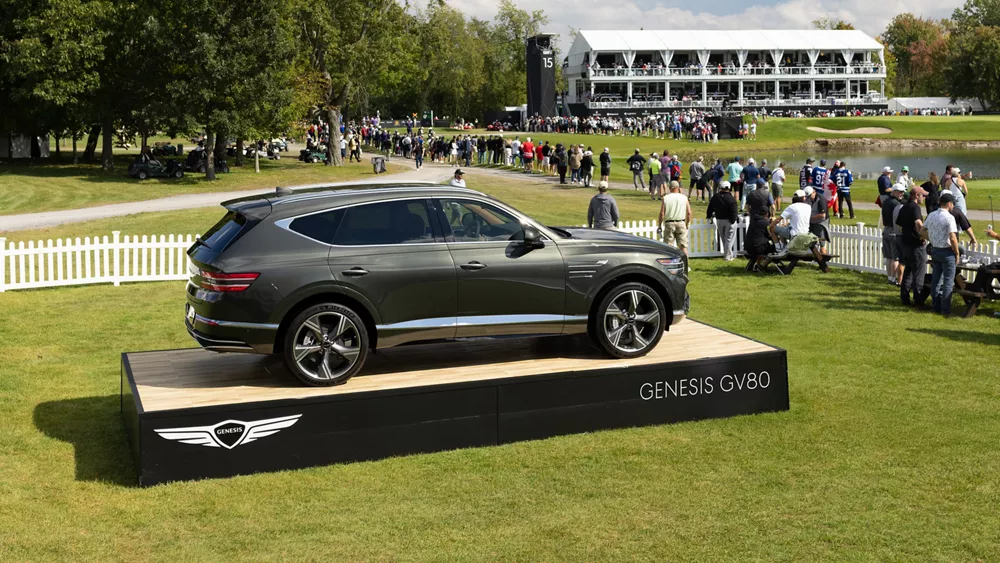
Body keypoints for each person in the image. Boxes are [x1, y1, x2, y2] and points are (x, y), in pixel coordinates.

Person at [922, 192, 960, 316]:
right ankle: (945, 309)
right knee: (948, 281)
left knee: (936, 280)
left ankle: (935, 306)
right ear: (949, 204)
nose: (953, 206)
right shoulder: (949, 217)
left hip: (935, 250)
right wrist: (957, 253)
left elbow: (922, 231)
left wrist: (931, 239)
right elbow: (953, 237)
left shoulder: (931, 215)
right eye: (952, 203)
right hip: (947, 251)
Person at [769, 190, 828, 271]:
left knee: (773, 229)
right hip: (806, 234)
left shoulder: (792, 207)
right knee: (784, 230)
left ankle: (778, 249)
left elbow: (778, 219)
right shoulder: (808, 207)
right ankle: (784, 247)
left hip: (794, 234)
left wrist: (770, 226)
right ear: (803, 198)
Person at [895, 186, 928, 306]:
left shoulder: (904, 207)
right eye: (922, 195)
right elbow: (919, 224)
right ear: (916, 195)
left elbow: (899, 224)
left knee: (908, 272)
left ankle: (905, 297)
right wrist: (925, 237)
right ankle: (918, 300)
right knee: (919, 273)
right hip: (916, 245)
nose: (924, 197)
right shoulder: (915, 207)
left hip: (906, 243)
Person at [657, 181, 692, 260]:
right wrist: (687, 223)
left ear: (670, 188)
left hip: (669, 223)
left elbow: (662, 213)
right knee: (683, 247)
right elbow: (689, 213)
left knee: (669, 247)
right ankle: (685, 266)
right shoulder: (684, 197)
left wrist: (659, 225)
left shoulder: (666, 198)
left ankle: (670, 264)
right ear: (678, 188)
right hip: (681, 222)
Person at [707, 180, 738, 261]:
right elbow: (734, 211)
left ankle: (729, 255)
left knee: (724, 239)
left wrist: (708, 216)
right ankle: (727, 256)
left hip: (719, 220)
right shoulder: (731, 198)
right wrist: (733, 220)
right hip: (729, 221)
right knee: (729, 239)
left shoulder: (716, 196)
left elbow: (710, 207)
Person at [881, 184, 906, 285]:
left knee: (888, 257)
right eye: (900, 191)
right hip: (893, 230)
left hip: (886, 229)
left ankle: (890, 277)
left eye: (902, 192)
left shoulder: (886, 201)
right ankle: (893, 278)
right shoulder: (896, 204)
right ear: (894, 191)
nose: (902, 194)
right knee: (895, 257)